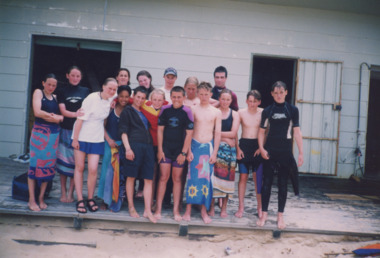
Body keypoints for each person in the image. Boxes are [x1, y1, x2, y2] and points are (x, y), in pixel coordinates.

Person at [256, 81, 303, 229]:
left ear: (286, 92)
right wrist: (261, 149)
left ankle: (280, 216)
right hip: (270, 150)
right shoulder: (267, 111)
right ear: (271, 94)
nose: (278, 95)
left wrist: (301, 152)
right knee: (267, 183)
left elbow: (296, 132)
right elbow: (261, 131)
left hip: (285, 151)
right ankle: (264, 213)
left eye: (281, 92)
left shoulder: (292, 110)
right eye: (275, 93)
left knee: (283, 183)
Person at [71, 78, 118, 213]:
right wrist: (75, 139)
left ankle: (90, 198)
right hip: (82, 136)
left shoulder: (111, 99)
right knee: (79, 168)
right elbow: (79, 120)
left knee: (92, 169)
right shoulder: (91, 98)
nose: (112, 91)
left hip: (97, 137)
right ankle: (80, 199)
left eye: (114, 89)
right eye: (110, 88)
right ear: (103, 86)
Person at [183, 82, 221, 224]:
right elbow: (188, 131)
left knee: (205, 179)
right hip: (194, 145)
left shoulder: (216, 112)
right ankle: (188, 208)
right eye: (201, 94)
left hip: (208, 148)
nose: (204, 97)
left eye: (207, 94)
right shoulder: (193, 109)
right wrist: (188, 150)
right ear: (198, 94)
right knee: (192, 178)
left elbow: (217, 133)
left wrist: (215, 152)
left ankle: (203, 210)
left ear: (211, 94)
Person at [154, 86, 194, 221]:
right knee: (163, 178)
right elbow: (159, 131)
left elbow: (189, 134)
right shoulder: (165, 110)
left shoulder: (187, 111)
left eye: (179, 97)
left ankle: (176, 210)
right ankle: (158, 209)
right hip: (166, 149)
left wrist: (183, 153)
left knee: (177, 179)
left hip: (179, 151)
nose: (176, 99)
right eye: (174, 97)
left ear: (184, 98)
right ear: (170, 97)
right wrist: (160, 150)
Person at [119, 86, 157, 223]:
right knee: (131, 177)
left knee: (148, 179)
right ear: (133, 96)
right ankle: (131, 206)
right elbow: (123, 132)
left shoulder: (145, 111)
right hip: (133, 146)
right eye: (138, 97)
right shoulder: (127, 111)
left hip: (148, 147)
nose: (139, 100)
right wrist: (128, 149)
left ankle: (147, 210)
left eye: (142, 98)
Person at [28, 74, 63, 211]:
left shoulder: (55, 98)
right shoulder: (38, 92)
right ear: (43, 83)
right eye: (49, 84)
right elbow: (37, 112)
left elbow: (61, 117)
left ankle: (41, 198)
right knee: (34, 167)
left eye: (54, 85)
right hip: (39, 136)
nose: (51, 87)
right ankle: (32, 200)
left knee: (48, 168)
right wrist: (54, 117)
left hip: (53, 137)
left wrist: (56, 118)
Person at [56, 66, 90, 203]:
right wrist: (75, 114)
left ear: (81, 77)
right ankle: (63, 193)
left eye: (78, 76)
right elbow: (62, 111)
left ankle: (71, 193)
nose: (75, 78)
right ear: (67, 75)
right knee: (63, 163)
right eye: (73, 75)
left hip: (80, 132)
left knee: (77, 165)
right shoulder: (62, 91)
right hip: (65, 131)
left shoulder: (86, 91)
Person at [97, 85, 131, 210]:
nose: (124, 99)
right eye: (121, 96)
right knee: (107, 172)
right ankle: (105, 199)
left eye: (126, 96)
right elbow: (102, 125)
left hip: (123, 144)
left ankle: (119, 198)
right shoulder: (110, 108)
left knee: (120, 173)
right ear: (117, 96)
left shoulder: (130, 110)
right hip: (110, 142)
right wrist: (109, 140)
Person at [207, 89, 240, 218]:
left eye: (228, 99)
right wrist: (225, 138)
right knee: (213, 179)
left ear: (231, 101)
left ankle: (224, 208)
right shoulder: (215, 112)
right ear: (219, 99)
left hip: (229, 152)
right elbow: (210, 130)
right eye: (223, 99)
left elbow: (233, 133)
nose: (225, 102)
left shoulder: (235, 114)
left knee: (228, 180)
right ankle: (211, 207)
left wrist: (219, 135)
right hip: (216, 149)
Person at [235, 90, 264, 219]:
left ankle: (260, 207)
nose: (252, 104)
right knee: (243, 177)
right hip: (244, 146)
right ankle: (241, 207)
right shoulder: (241, 113)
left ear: (259, 102)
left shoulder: (263, 113)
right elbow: (234, 131)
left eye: (255, 102)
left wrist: (261, 147)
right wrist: (237, 149)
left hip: (257, 147)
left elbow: (267, 131)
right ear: (246, 101)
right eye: (250, 101)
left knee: (258, 178)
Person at [140, 89, 167, 206]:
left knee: (162, 175)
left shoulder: (166, 108)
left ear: (164, 101)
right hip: (149, 145)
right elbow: (130, 98)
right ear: (150, 100)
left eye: (159, 100)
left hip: (162, 145)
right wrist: (114, 100)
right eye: (154, 99)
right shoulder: (145, 106)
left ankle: (158, 201)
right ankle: (149, 201)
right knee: (152, 173)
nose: (157, 102)